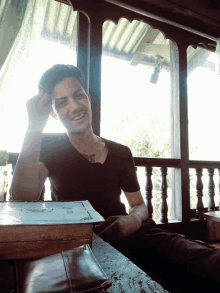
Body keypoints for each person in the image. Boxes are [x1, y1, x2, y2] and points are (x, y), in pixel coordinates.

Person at [10, 64, 220, 293]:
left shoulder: (121, 152)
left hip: (137, 235)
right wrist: (34, 125)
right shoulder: (46, 145)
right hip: (83, 247)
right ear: (53, 111)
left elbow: (139, 205)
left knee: (201, 257)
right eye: (62, 102)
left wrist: (132, 221)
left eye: (78, 96)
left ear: (88, 98)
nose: (74, 106)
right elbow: (21, 198)